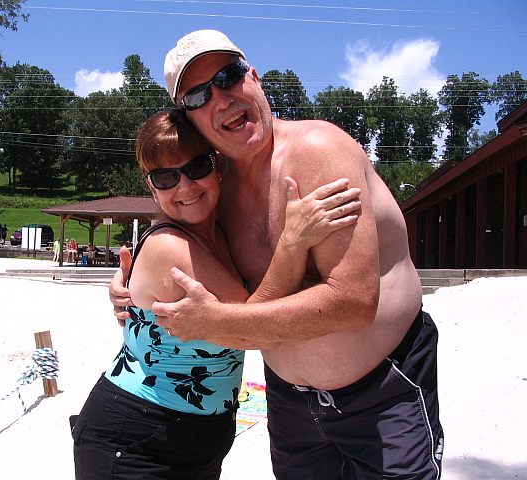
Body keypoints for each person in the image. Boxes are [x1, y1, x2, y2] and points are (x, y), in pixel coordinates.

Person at [110, 30, 443, 479]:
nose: (221, 99)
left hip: (383, 393)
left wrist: (218, 323)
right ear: (190, 118)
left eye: (228, 77)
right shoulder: (213, 185)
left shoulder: (317, 151)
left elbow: (353, 302)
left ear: (254, 76)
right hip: (289, 405)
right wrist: (132, 289)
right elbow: (172, 241)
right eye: (199, 96)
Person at [73, 108, 361, 479]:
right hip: (136, 435)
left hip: (196, 436)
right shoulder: (169, 246)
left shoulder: (221, 229)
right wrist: (293, 241)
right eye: (165, 177)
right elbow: (251, 329)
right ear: (151, 187)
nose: (185, 187)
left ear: (217, 167)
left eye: (197, 168)